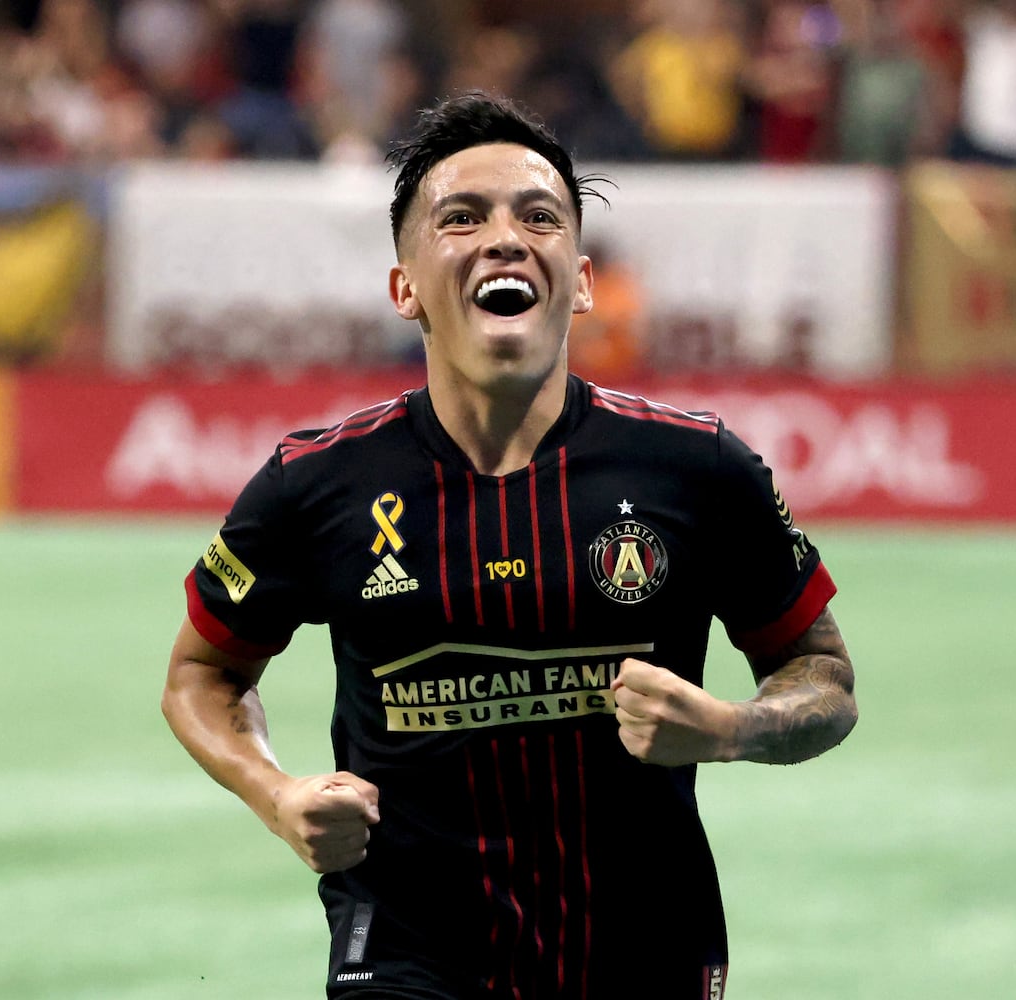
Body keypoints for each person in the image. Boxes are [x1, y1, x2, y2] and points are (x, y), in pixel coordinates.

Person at [162, 90, 857, 999]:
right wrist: (276, 793)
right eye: (461, 218)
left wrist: (731, 729)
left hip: (646, 948)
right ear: (404, 286)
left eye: (538, 217)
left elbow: (824, 678)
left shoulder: (696, 467)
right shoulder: (315, 483)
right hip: (408, 954)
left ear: (581, 279)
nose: (504, 237)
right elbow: (200, 676)